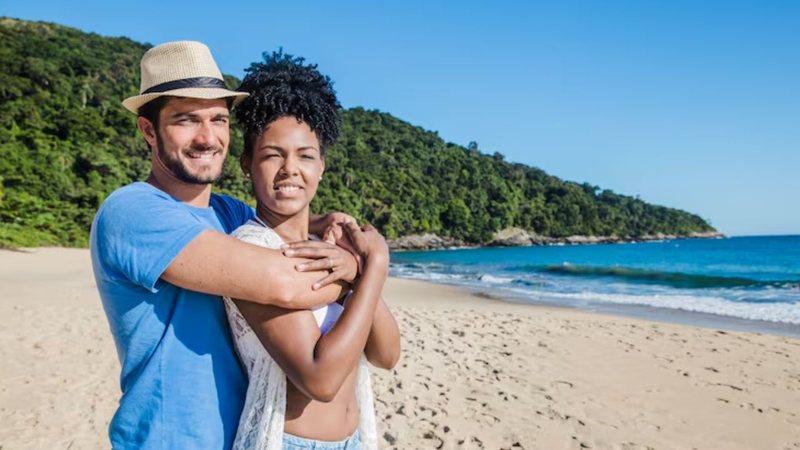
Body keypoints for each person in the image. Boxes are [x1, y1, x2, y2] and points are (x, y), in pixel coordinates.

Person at [90, 41, 363, 449]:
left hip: (241, 435)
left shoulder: (229, 213)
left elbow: (287, 225)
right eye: (186, 120)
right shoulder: (134, 211)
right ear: (148, 130)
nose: (207, 137)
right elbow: (287, 283)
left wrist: (327, 226)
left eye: (219, 119)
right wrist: (361, 267)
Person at [225, 51, 401, 450]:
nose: (290, 169)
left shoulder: (330, 250)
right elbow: (320, 379)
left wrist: (357, 274)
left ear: (321, 166)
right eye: (272, 155)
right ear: (246, 164)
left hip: (355, 439)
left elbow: (387, 354)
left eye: (305, 156)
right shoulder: (251, 250)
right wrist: (373, 266)